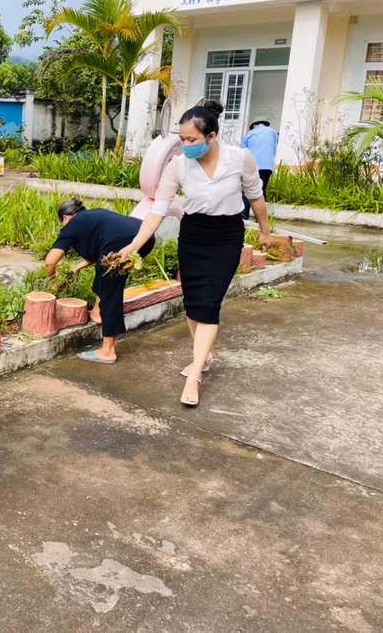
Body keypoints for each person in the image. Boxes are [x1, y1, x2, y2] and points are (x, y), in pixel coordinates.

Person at [120, 100, 272, 408]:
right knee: (192, 303)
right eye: (182, 139)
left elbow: (256, 196)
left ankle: (195, 375)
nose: (185, 145)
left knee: (209, 303)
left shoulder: (240, 158)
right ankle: (206, 353)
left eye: (191, 140)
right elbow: (158, 208)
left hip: (226, 236)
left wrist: (266, 231)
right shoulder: (178, 165)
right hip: (193, 235)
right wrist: (135, 244)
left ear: (211, 137)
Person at [45, 200, 155, 364]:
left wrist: (52, 281)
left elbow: (50, 261)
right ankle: (97, 313)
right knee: (106, 272)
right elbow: (101, 250)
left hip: (125, 240)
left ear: (66, 218)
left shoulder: (72, 224)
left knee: (110, 289)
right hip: (144, 236)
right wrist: (78, 267)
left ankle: (108, 350)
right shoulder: (93, 215)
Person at [240, 116, 278, 219]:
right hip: (267, 167)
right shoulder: (272, 132)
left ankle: (244, 216)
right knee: (261, 190)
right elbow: (273, 149)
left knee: (247, 190)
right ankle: (260, 219)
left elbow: (242, 152)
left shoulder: (249, 134)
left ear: (254, 125)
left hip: (251, 166)